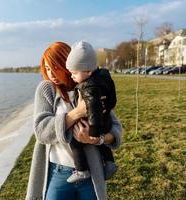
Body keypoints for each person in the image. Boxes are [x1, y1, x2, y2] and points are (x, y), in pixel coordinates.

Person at [25, 41, 122, 200]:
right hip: (58, 172)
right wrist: (77, 112)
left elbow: (115, 128)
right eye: (47, 69)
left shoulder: (89, 86)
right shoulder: (47, 89)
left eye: (55, 68)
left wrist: (97, 139)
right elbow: (41, 132)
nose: (51, 74)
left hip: (91, 172)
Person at [65, 41, 118, 183]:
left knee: (75, 142)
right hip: (105, 121)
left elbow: (93, 107)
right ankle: (110, 162)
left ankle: (82, 170)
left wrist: (94, 131)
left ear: (88, 71)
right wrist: (109, 107)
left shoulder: (89, 86)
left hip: (95, 124)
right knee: (100, 143)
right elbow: (113, 99)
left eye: (74, 73)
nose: (72, 77)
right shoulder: (104, 77)